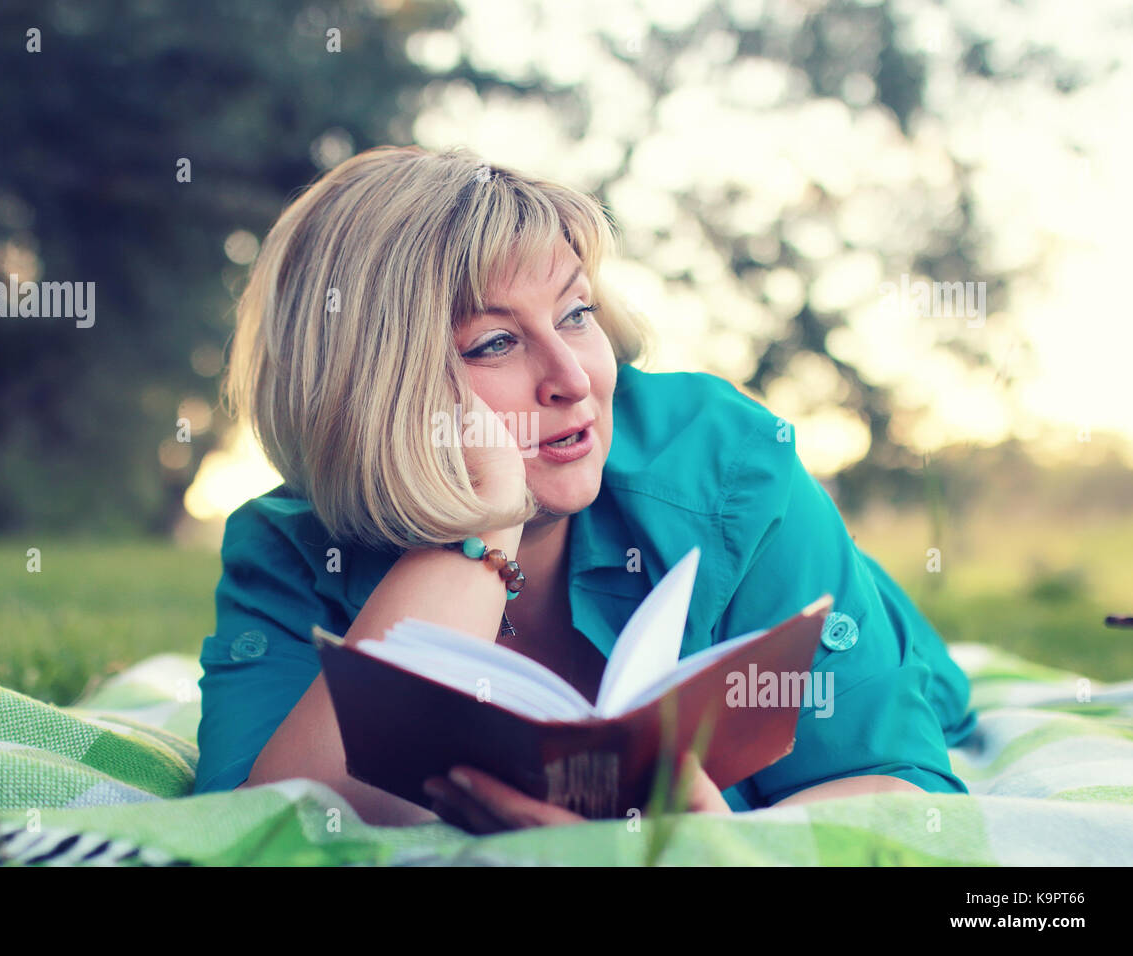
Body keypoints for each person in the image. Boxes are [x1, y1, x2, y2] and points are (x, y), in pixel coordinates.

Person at [194, 144, 977, 832]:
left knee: (935, 681)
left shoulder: (731, 462)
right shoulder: (288, 547)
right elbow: (274, 818)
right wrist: (480, 527)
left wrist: (714, 847)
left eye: (576, 313)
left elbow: (902, 787)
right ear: (369, 390)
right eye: (495, 342)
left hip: (872, 621)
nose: (573, 379)